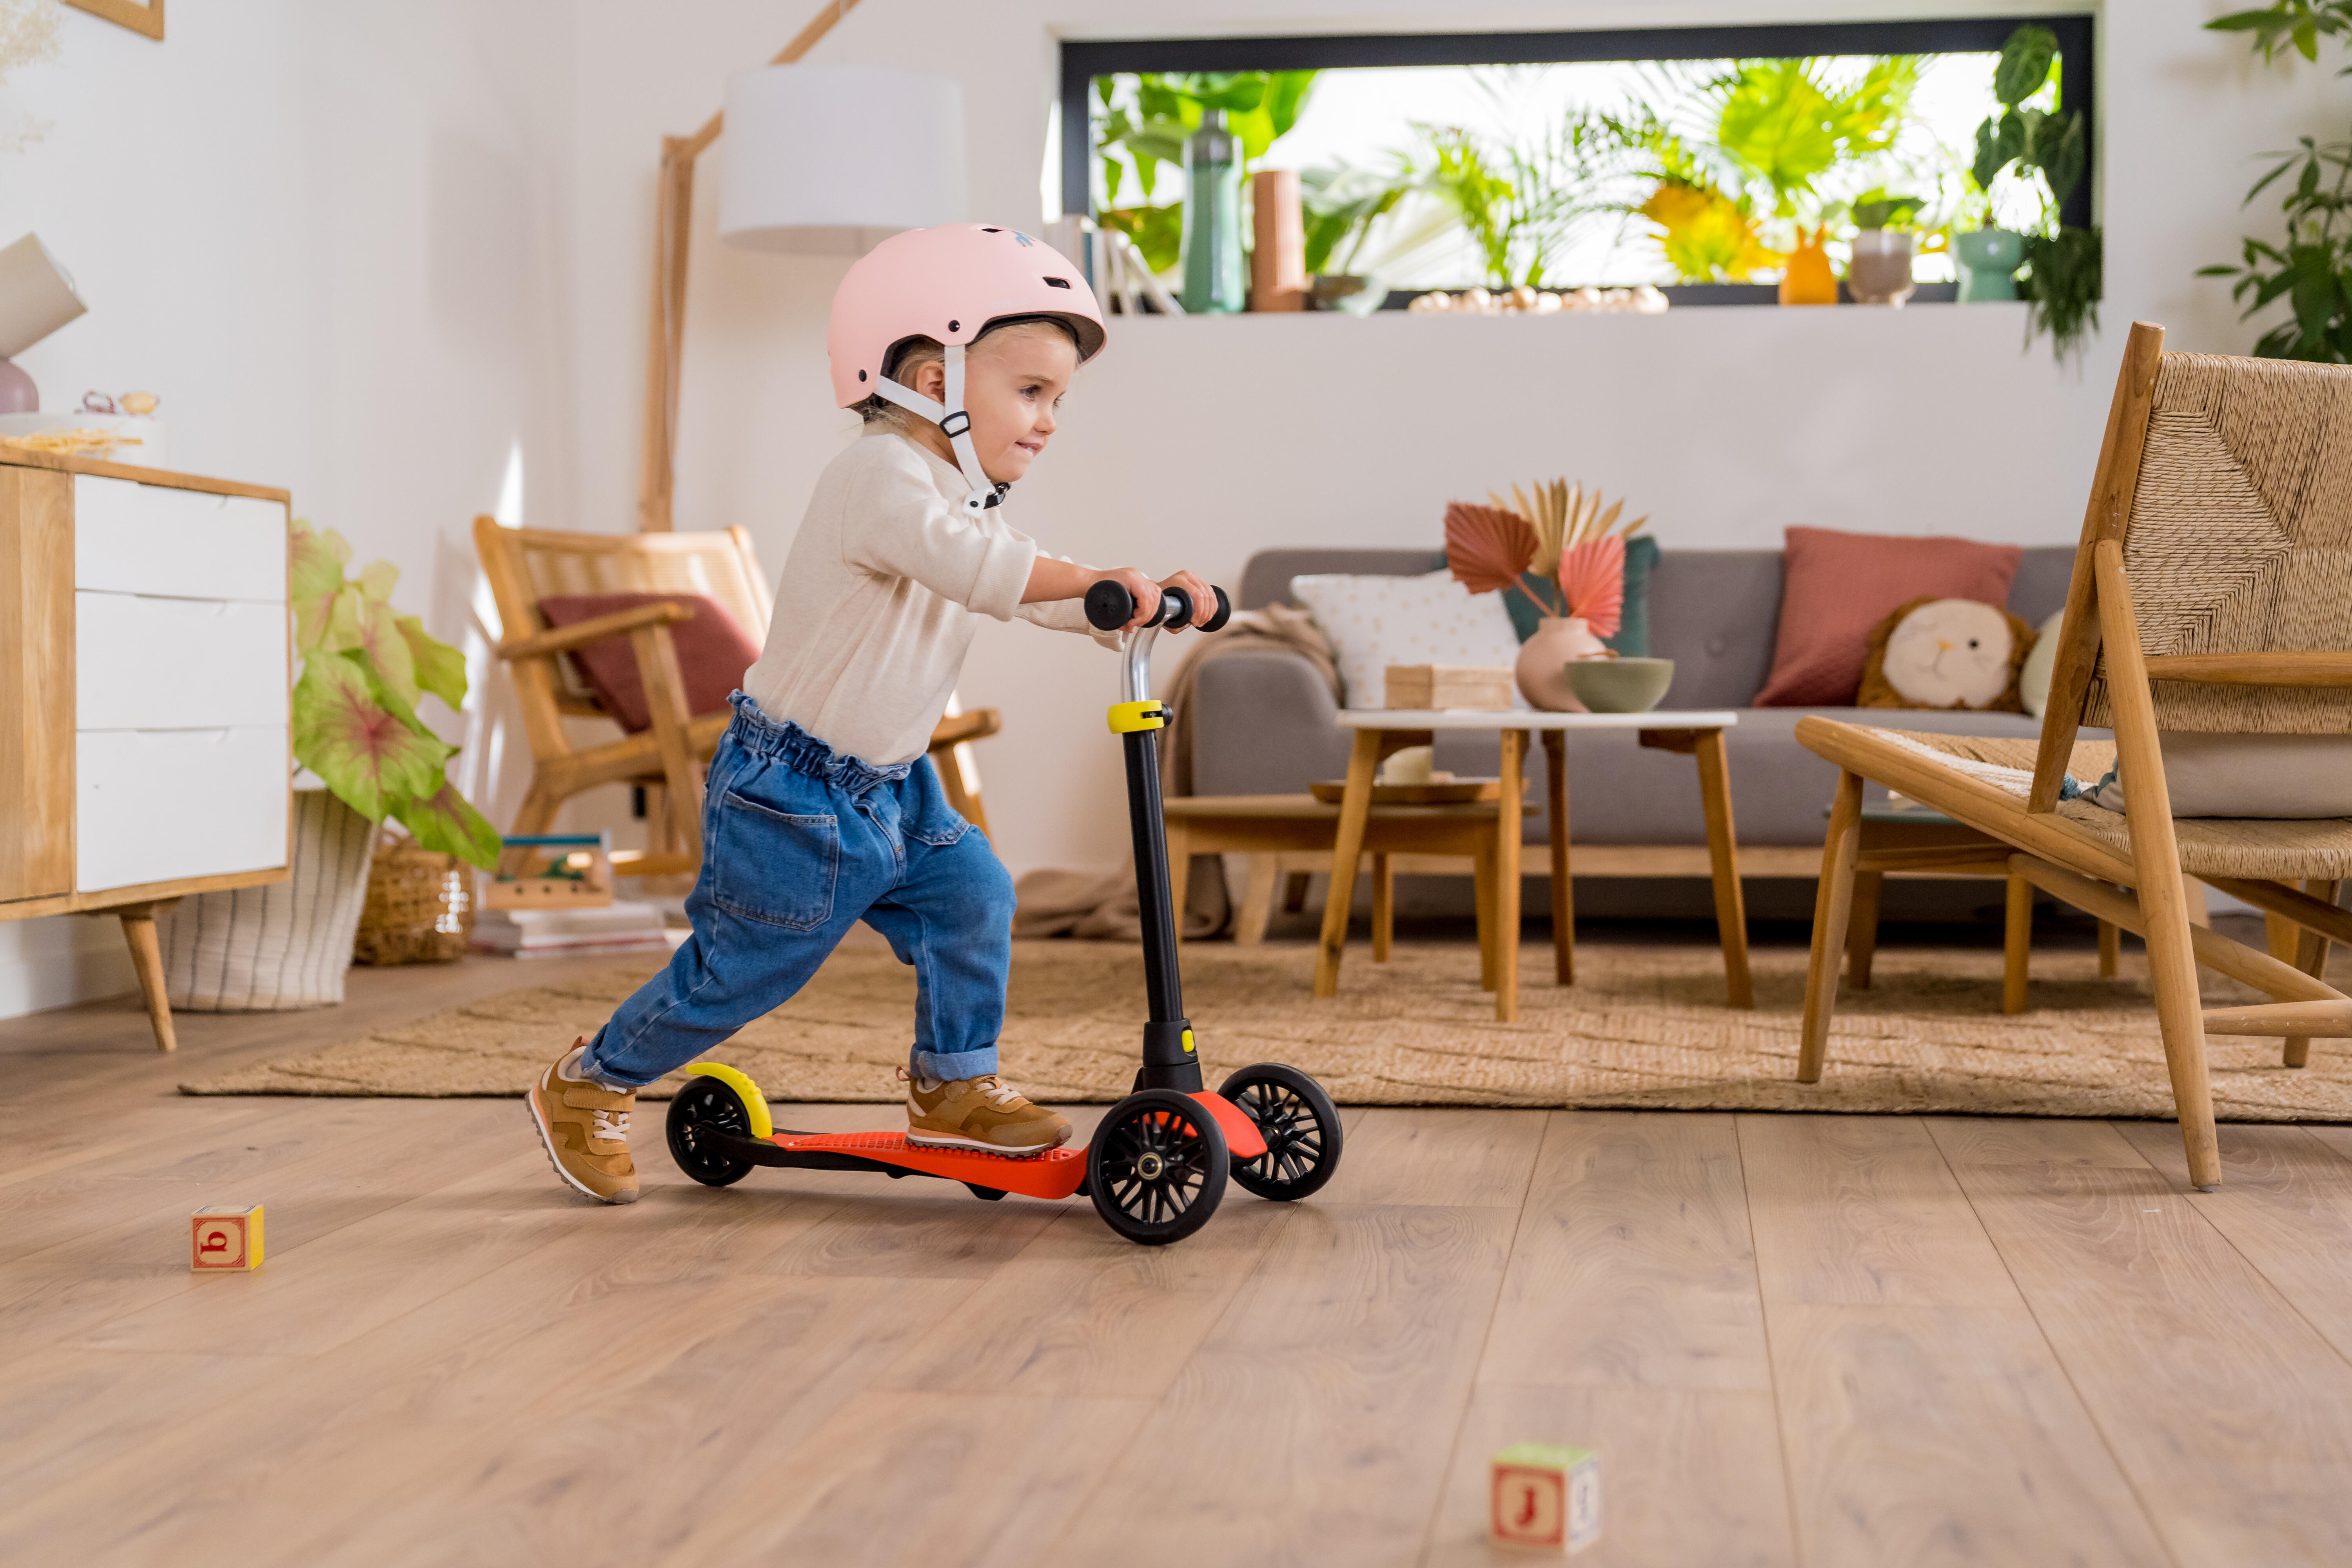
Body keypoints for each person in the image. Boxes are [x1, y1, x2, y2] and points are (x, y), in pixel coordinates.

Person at [526, 223, 1214, 1204]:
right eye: (1030, 391)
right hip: (790, 793)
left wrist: (1133, 608)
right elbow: (986, 572)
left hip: (895, 781)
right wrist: (1108, 578)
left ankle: (954, 1080)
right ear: (935, 381)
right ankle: (590, 1081)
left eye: (1058, 399)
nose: (1050, 419)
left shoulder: (962, 496)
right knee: (743, 973)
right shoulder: (878, 479)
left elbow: (1029, 585)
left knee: (974, 897)